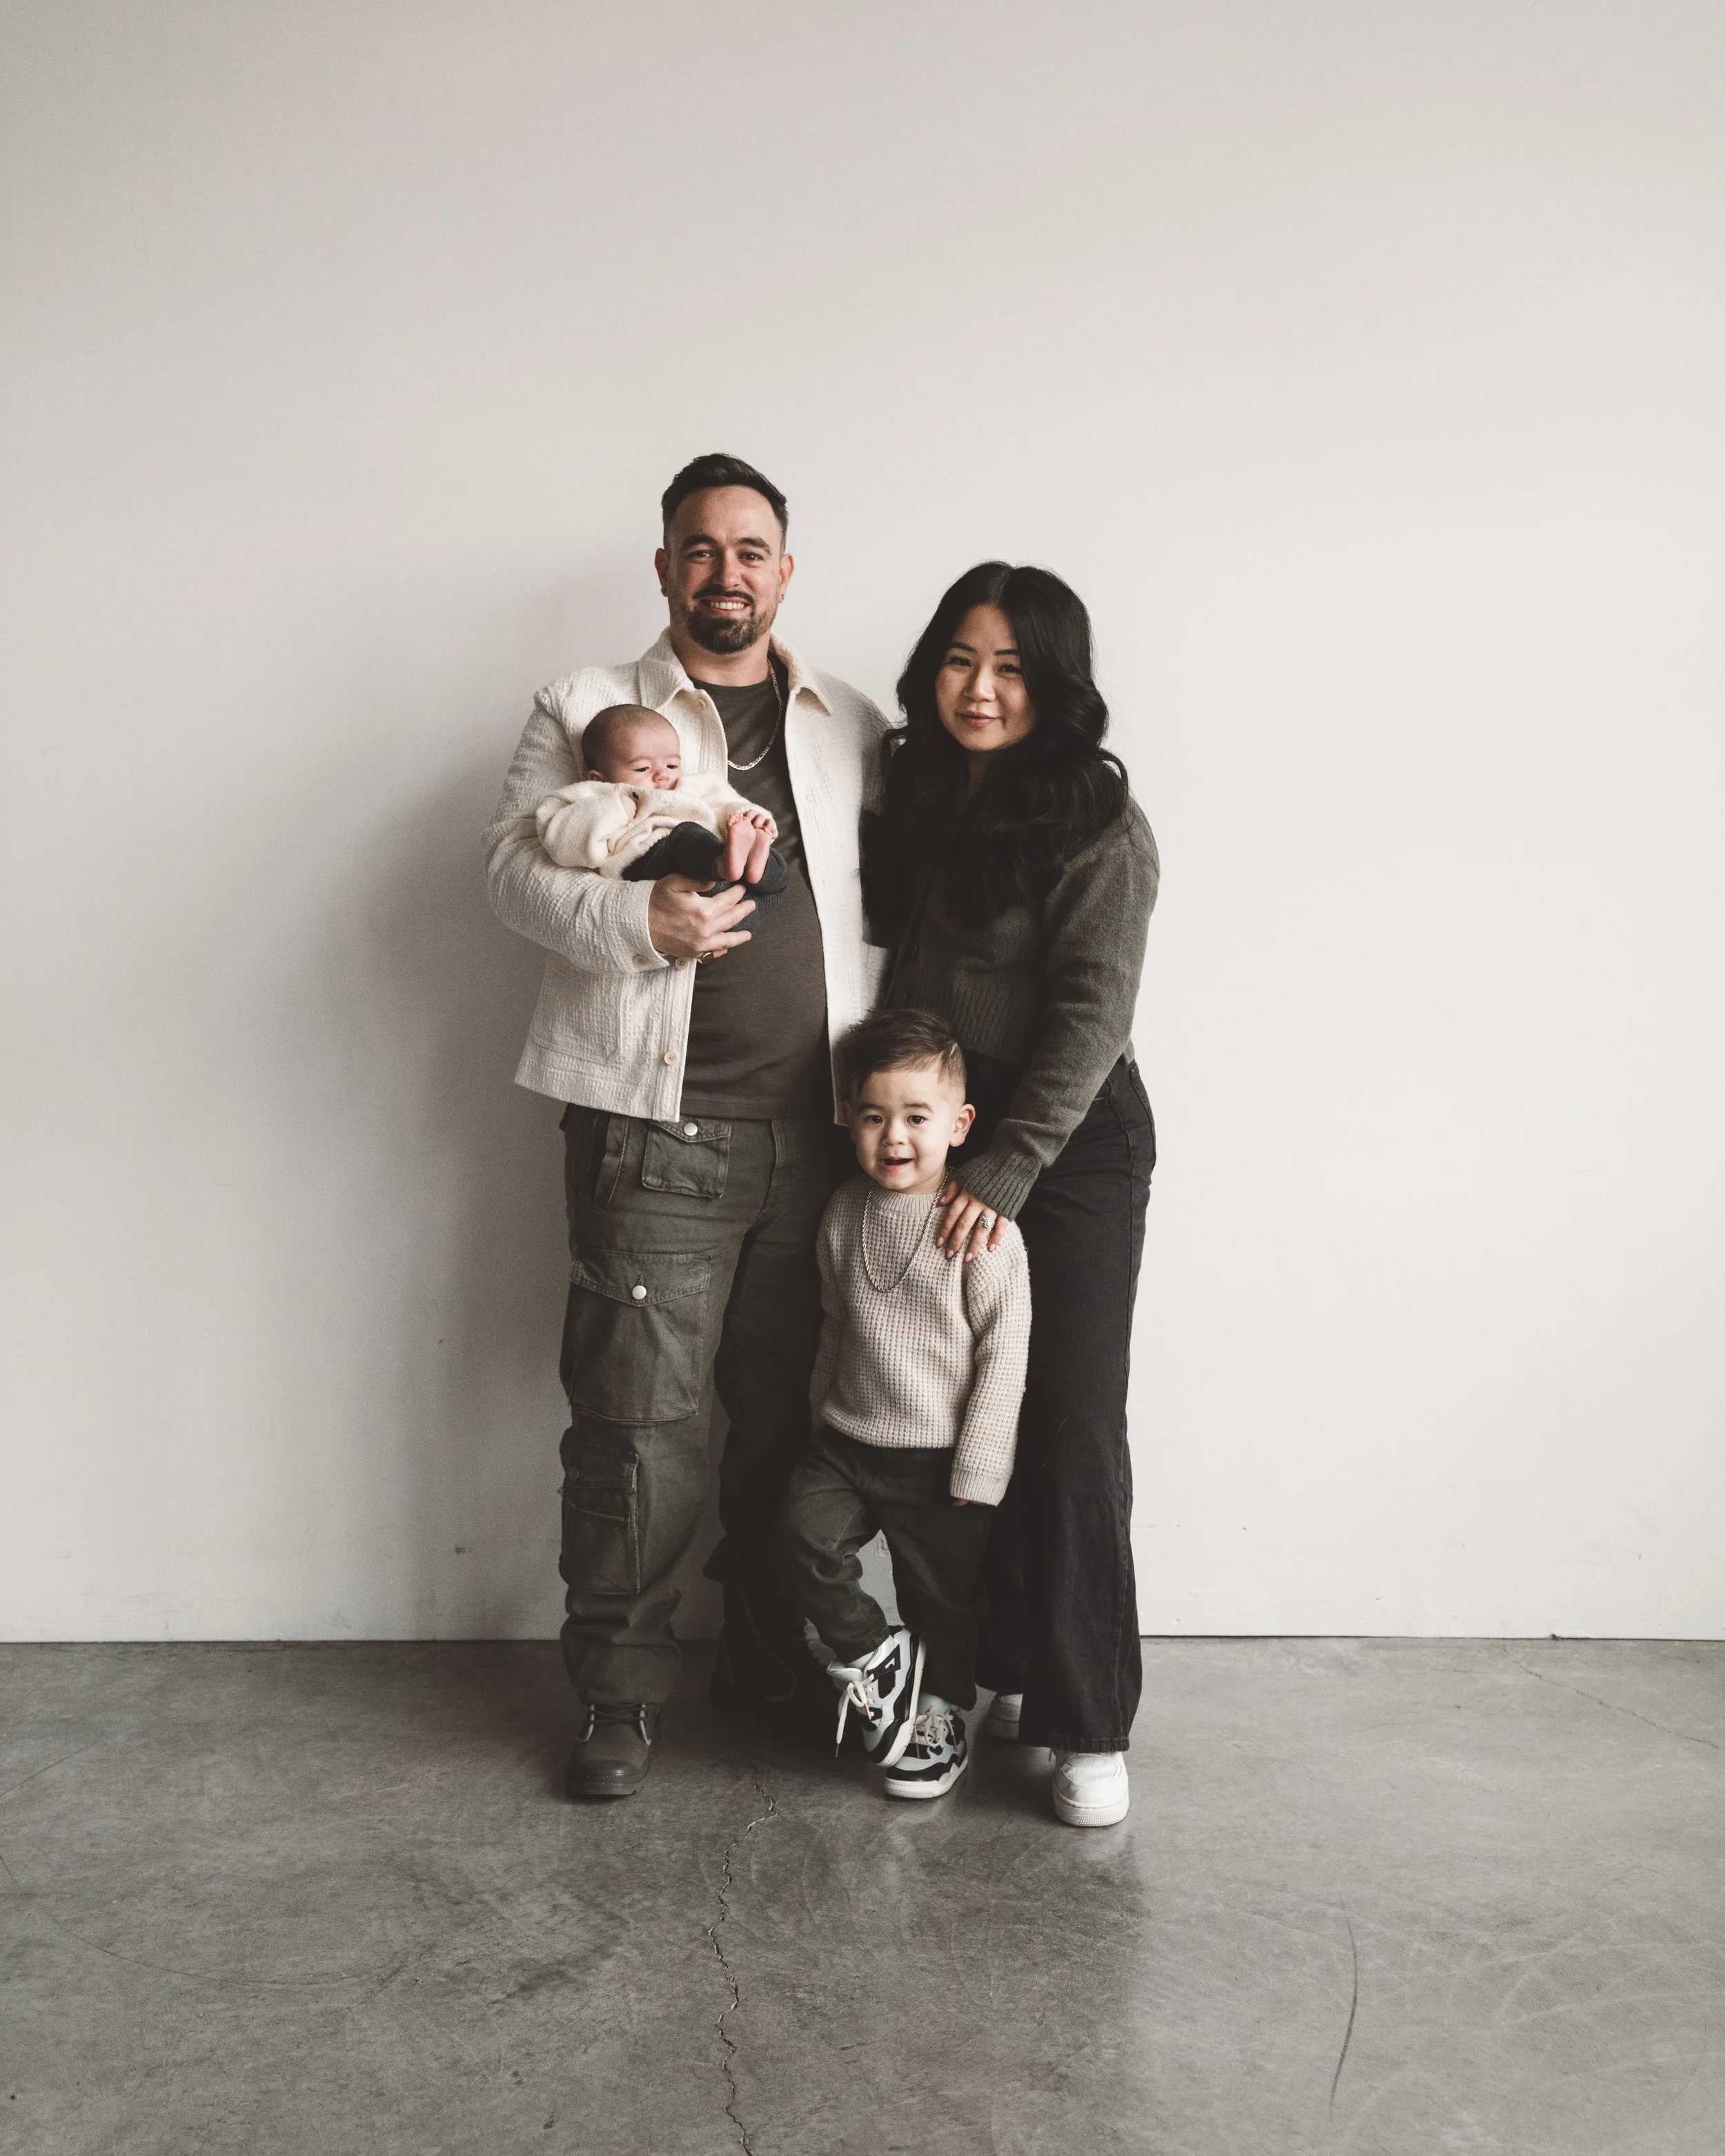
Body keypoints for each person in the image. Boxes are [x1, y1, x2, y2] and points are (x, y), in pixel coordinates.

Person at [484, 453, 891, 1799]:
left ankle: (771, 1665)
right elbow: (511, 870)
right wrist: (637, 920)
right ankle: (617, 1693)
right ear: (663, 567)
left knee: (788, 1425)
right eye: (699, 549)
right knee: (635, 1428)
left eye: (751, 549)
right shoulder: (587, 705)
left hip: (827, 1139)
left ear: (786, 568)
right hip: (656, 1135)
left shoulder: (850, 719)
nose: (726, 572)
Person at [863, 561, 1159, 1828]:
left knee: (1072, 1422)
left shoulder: (1100, 822)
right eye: (960, 660)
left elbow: (1094, 1017)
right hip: (947, 1133)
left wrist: (1007, 1166)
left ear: (1057, 684)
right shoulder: (912, 788)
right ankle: (997, 1672)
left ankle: (1089, 1722)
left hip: (1070, 1142)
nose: (981, 690)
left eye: (1013, 668)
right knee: (959, 1413)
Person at [771, 1009, 1032, 1801]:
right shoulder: (844, 1211)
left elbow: (1003, 1350)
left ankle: (941, 1710)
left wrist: (980, 1467)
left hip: (937, 1459)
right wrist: (820, 1410)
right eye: (875, 1116)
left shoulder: (981, 1228)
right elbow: (835, 1322)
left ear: (958, 1124)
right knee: (800, 1537)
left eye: (917, 1117)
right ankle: (878, 1654)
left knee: (942, 1600)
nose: (895, 1137)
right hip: (847, 1441)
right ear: (848, 1119)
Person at [535, 702, 791, 924]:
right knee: (685, 837)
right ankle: (725, 861)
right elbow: (558, 838)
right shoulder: (595, 794)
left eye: (672, 764)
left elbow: (724, 802)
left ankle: (755, 864)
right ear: (599, 778)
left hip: (723, 899)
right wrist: (612, 809)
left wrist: (749, 815)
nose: (663, 774)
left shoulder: (692, 786)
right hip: (646, 862)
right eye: (643, 768)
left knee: (778, 876)